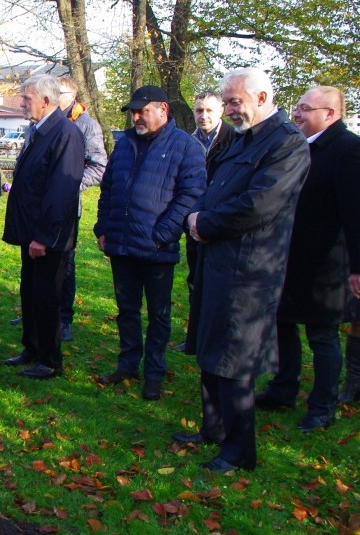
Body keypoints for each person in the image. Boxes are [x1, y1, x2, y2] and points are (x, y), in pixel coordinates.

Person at [179, 68, 309, 471]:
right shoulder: (241, 139)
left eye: (235, 102)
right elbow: (215, 188)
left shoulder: (286, 143)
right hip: (216, 259)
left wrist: (204, 223)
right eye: (227, 102)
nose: (230, 109)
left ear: (263, 96)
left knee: (234, 359)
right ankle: (213, 429)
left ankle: (238, 451)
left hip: (249, 268)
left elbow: (259, 204)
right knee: (209, 348)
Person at [254, 86, 360, 431]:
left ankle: (322, 407)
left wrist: (357, 267)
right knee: (283, 323)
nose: (296, 114)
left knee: (322, 336)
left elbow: (355, 213)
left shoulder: (348, 149)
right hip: (288, 257)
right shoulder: (298, 146)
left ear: (330, 114)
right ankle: (283, 389)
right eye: (296, 107)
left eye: (305, 108)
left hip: (327, 265)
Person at [93, 85, 205, 400]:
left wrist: (162, 235)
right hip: (122, 245)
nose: (136, 117)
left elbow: (191, 196)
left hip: (157, 249)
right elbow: (108, 188)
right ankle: (128, 363)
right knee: (127, 310)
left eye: (142, 111)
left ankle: (153, 373)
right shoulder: (125, 144)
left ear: (162, 110)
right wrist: (103, 227)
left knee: (159, 315)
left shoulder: (186, 147)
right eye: (133, 112)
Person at [1, 74, 84, 380]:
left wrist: (44, 237)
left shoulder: (65, 133)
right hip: (32, 232)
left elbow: (61, 191)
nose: (22, 103)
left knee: (48, 296)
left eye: (27, 98)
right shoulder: (39, 129)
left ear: (46, 101)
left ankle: (50, 360)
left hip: (49, 237)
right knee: (30, 292)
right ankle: (32, 347)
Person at [173, 91, 234, 352]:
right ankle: (195, 335)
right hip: (193, 218)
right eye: (199, 110)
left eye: (209, 110)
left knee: (223, 282)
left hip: (223, 220)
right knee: (195, 278)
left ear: (220, 110)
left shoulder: (234, 139)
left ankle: (221, 337)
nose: (203, 116)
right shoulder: (188, 142)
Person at [57, 75, 107, 342]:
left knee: (66, 263)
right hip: (39, 206)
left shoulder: (86, 125)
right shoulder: (42, 121)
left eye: (58, 91)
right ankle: (41, 308)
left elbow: (99, 165)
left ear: (72, 95)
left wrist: (71, 185)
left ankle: (64, 318)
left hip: (67, 207)